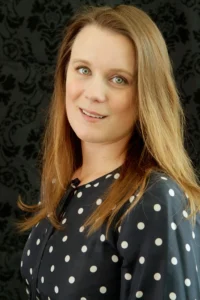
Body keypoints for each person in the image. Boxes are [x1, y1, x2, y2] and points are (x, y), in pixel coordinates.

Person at [17, 4, 200, 300]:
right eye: (83, 69)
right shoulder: (62, 179)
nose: (94, 93)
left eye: (118, 79)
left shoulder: (153, 200)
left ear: (145, 95)